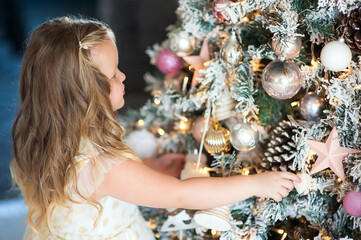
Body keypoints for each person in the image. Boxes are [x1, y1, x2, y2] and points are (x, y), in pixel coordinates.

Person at [10, 16, 301, 240]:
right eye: (113, 75)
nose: (123, 77)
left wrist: (149, 165)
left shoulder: (51, 134)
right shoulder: (101, 166)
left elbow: (102, 185)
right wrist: (255, 184)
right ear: (83, 95)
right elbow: (180, 195)